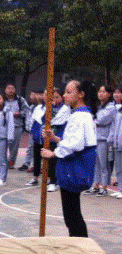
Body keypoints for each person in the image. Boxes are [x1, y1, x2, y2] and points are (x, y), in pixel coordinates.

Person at [41, 80, 97, 237]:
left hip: (74, 168)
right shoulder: (80, 114)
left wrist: (53, 153)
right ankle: (78, 242)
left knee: (72, 216)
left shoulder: (80, 116)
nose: (64, 95)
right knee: (72, 214)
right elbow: (75, 141)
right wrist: (56, 139)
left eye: (68, 92)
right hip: (74, 166)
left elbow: (75, 144)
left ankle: (80, 245)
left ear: (81, 94)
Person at [26, 88, 70, 192]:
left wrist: (55, 135)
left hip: (56, 137)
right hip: (44, 136)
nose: (53, 99)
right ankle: (38, 178)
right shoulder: (43, 107)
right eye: (51, 96)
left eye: (56, 97)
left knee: (53, 160)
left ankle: (53, 181)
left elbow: (57, 122)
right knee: (39, 157)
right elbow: (41, 120)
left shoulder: (64, 109)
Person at [83, 85, 116, 196]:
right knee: (96, 163)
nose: (100, 93)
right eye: (99, 91)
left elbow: (101, 120)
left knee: (103, 164)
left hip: (104, 139)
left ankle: (104, 187)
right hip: (96, 138)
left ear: (109, 94)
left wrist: (94, 120)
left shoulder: (111, 107)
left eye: (103, 92)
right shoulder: (100, 107)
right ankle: (96, 185)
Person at [4, 83, 31, 169]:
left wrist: (19, 114)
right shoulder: (2, 99)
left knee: (14, 146)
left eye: (12, 88)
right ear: (5, 90)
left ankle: (11, 162)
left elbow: (27, 111)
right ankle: (3, 162)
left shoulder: (20, 100)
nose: (10, 90)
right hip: (4, 126)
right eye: (8, 88)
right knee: (3, 144)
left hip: (17, 126)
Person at [18, 90, 42, 172]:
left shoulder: (42, 107)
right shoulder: (31, 107)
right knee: (30, 147)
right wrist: (28, 127)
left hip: (40, 130)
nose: (33, 97)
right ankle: (27, 163)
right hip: (32, 130)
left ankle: (37, 165)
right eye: (31, 95)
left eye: (35, 94)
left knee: (38, 148)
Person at [108, 92, 122, 198]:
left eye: (119, 92)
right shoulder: (116, 110)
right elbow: (114, 127)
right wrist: (112, 139)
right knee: (118, 167)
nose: (116, 94)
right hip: (117, 142)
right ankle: (120, 188)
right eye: (115, 92)